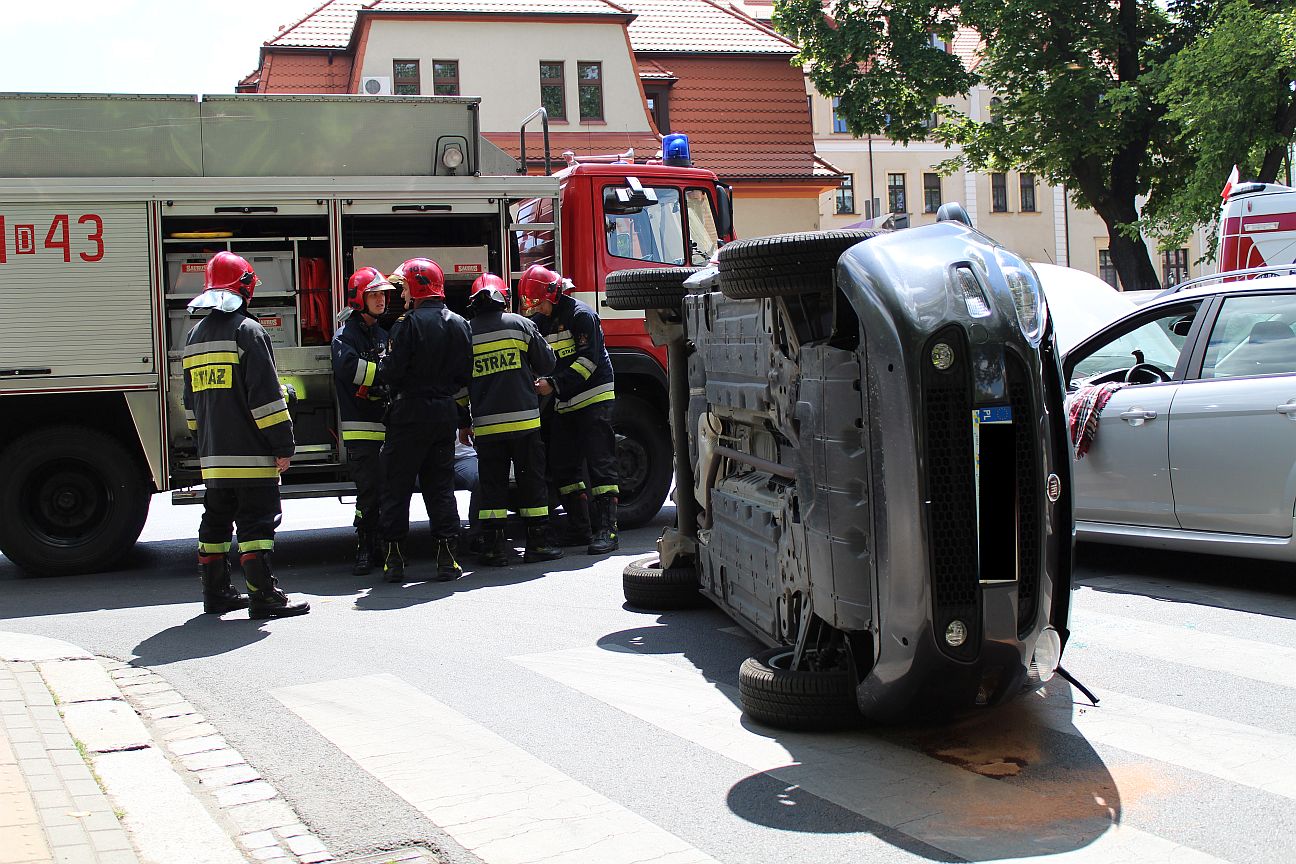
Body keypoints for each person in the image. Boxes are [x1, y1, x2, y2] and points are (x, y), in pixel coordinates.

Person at [182, 251, 310, 619]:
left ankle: (217, 593)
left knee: (216, 522)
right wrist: (283, 446)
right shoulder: (248, 331)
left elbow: (189, 403)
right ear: (245, 286)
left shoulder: (194, 337)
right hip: (251, 455)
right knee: (256, 523)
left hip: (214, 458)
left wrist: (202, 443)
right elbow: (266, 399)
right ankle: (264, 597)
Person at [377, 257, 473, 582]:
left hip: (408, 416)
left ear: (417, 287)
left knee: (397, 487)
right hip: (444, 415)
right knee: (441, 488)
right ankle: (448, 560)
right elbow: (464, 374)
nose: (401, 293)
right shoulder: (460, 323)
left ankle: (394, 561)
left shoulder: (407, 324)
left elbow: (391, 373)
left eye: (403, 286)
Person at [516, 264, 620, 555]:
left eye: (540, 303)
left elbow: (588, 363)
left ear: (554, 294)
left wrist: (554, 385)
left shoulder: (582, 316)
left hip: (594, 398)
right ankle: (579, 528)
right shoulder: (541, 321)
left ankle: (607, 531)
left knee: (601, 466)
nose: (538, 309)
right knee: (563, 466)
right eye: (533, 304)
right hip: (566, 402)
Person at [464, 273, 562, 566]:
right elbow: (547, 364)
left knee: (492, 486)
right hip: (525, 425)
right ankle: (538, 545)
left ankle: (494, 549)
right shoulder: (522, 325)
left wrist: (462, 422)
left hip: (487, 428)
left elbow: (458, 384)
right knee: (531, 483)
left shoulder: (466, 334)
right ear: (504, 298)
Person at [332, 266, 393, 577]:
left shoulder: (384, 335)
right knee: (368, 492)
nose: (381, 300)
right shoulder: (345, 336)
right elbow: (349, 369)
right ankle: (364, 546)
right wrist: (383, 375)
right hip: (362, 430)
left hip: (387, 426)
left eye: (383, 294)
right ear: (359, 298)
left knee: (387, 491)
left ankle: (385, 544)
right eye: (374, 294)